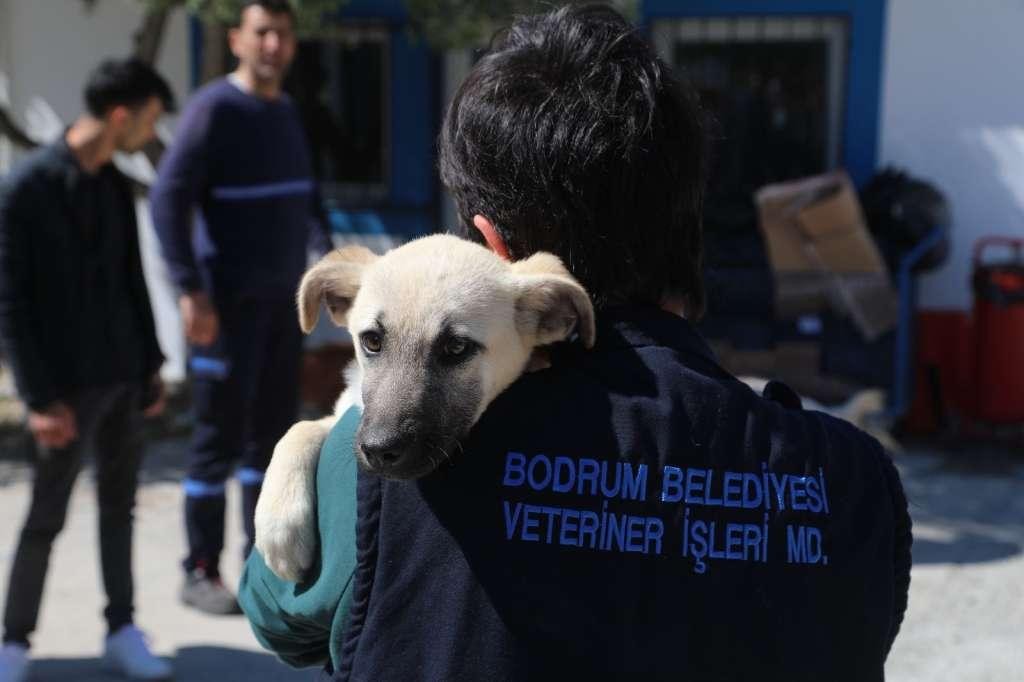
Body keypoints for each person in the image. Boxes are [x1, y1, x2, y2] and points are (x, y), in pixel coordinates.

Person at [239, 5, 913, 681]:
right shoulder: (854, 484)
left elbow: (277, 614)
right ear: (688, 218)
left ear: (495, 247)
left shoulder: (381, 466)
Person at [150, 0, 332, 616]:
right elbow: (167, 201)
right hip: (225, 313)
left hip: (281, 310)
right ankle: (198, 569)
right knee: (216, 442)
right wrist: (190, 290)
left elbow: (308, 205)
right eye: (262, 33)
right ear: (237, 40)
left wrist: (326, 267)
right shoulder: (213, 110)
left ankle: (263, 564)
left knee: (270, 442)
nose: (274, 45)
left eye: (282, 33)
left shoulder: (285, 111)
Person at [0, 58, 175, 682]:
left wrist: (152, 366)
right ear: (121, 115)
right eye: (149, 121)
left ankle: (121, 628)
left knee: (118, 508)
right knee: (46, 515)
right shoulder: (26, 188)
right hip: (63, 392)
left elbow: (132, 284)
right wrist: (39, 397)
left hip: (122, 379)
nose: (150, 135)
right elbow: (11, 304)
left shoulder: (110, 186)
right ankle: (13, 641)